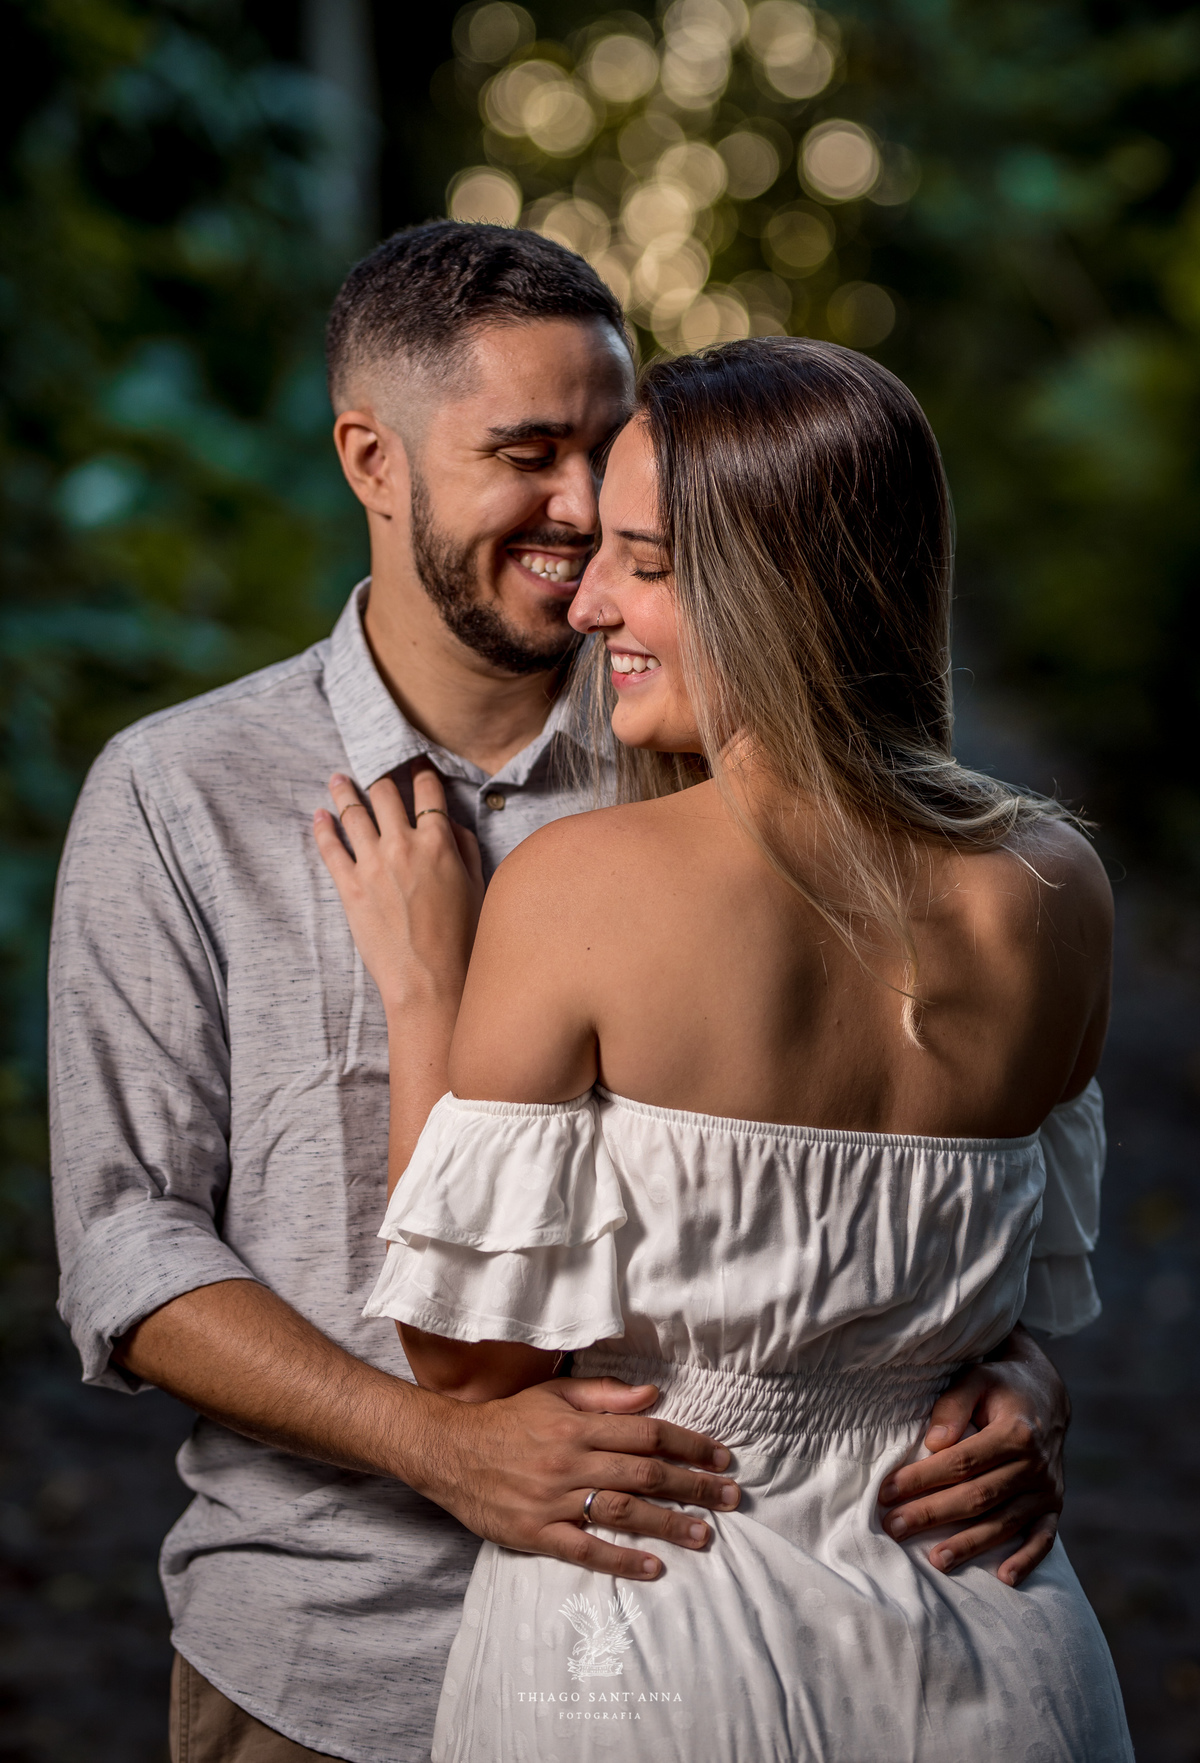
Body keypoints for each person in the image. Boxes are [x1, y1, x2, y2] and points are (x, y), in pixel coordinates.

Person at [49, 226, 1077, 1763]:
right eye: (527, 455)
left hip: (731, 1638)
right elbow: (127, 1239)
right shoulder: (180, 794)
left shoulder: (726, 748)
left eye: (609, 453)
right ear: (371, 461)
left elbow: (895, 1170)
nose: (584, 510)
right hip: (340, 1652)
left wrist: (998, 1374)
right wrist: (439, 1445)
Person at [318, 338, 1131, 1761]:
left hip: (656, 1637)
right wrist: (1025, 1389)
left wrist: (423, 990)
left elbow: (462, 1365)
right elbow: (995, 1305)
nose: (589, 601)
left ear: (778, 587)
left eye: (643, 561)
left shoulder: (581, 886)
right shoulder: (1058, 887)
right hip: (991, 1645)